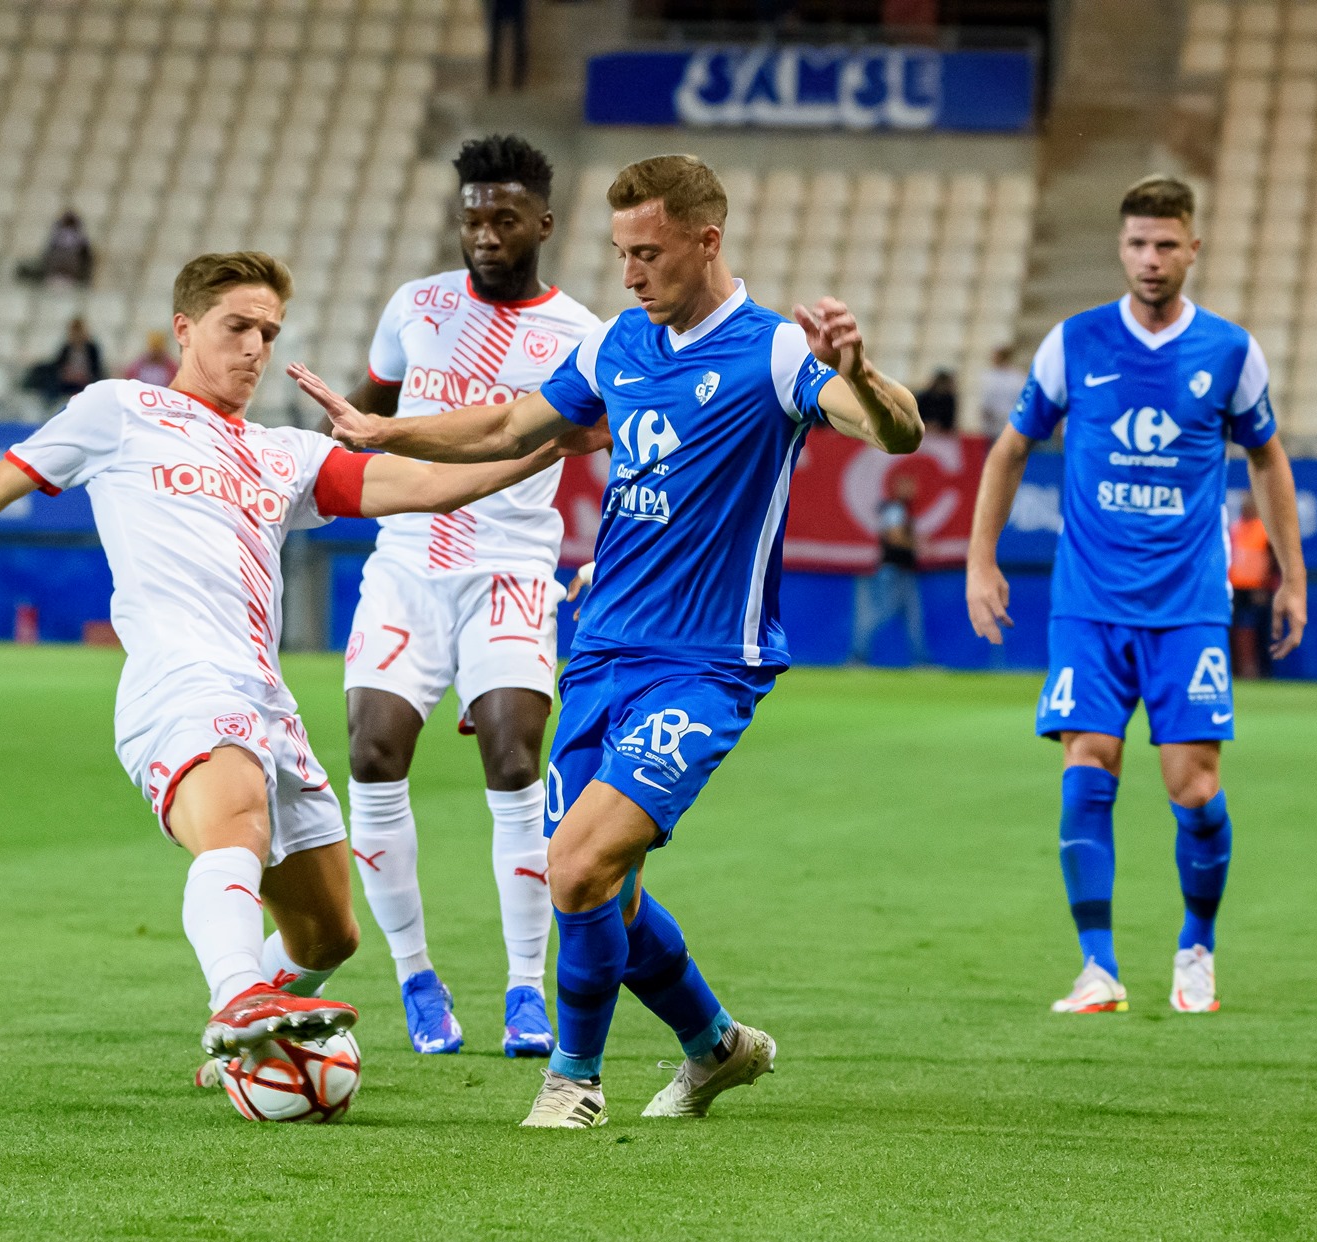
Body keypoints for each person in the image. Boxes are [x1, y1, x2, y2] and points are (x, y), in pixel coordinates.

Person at [0, 252, 584, 1093]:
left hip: (267, 700)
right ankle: (238, 1000)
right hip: (177, 682)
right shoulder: (119, 411)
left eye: (269, 332)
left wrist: (549, 437)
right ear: (185, 328)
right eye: (237, 327)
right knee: (235, 822)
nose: (256, 348)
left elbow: (433, 486)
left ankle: (252, 1028)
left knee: (329, 936)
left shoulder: (284, 453)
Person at [289, 154, 924, 1128]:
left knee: (575, 866)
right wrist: (384, 435)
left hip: (705, 664)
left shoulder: (773, 354)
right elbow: (508, 425)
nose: (627, 274)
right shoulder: (618, 346)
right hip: (598, 652)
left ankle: (571, 1080)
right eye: (619, 252)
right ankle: (714, 1045)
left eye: (647, 254)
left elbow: (896, 433)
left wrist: (859, 373)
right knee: (607, 894)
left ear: (705, 243)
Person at [964, 175, 1307, 1017]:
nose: (1150, 260)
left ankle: (1196, 948)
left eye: (1165, 245)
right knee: (1089, 765)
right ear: (1121, 249)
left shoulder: (1229, 352)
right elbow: (1009, 450)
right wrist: (982, 558)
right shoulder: (1074, 342)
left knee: (1193, 786)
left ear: (1192, 248)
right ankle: (1098, 967)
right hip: (1087, 601)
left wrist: (1292, 575)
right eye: (1136, 245)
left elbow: (1267, 458)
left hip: (1189, 604)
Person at [339, 135, 600, 1058]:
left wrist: (608, 550)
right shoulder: (413, 308)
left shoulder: (582, 335)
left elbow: (625, 450)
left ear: (543, 224)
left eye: (503, 218)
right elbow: (370, 412)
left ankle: (526, 990)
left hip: (513, 568)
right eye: (471, 217)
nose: (484, 234)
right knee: (372, 753)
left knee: (513, 758)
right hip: (406, 559)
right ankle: (416, 976)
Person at [850, 470, 928, 665]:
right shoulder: (895, 509)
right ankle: (858, 655)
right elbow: (894, 537)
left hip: (904, 571)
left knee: (913, 619)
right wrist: (917, 544)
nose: (912, 489)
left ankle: (921, 660)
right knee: (880, 613)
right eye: (907, 485)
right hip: (893, 571)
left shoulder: (902, 509)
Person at [1228, 493, 1274, 679]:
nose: (1248, 507)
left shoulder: (1264, 528)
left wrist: (1265, 585)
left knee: (1260, 631)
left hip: (1257, 587)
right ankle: (1236, 669)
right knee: (1232, 628)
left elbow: (1272, 560)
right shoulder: (1235, 527)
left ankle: (1262, 671)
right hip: (1235, 586)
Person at [26, 318, 105, 402]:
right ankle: (50, 406)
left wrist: (82, 376)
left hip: (85, 382)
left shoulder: (92, 349)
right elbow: (58, 365)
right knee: (50, 382)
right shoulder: (66, 348)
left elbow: (96, 368)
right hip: (67, 382)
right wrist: (66, 374)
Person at [19, 209, 94, 286]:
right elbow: (48, 254)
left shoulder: (81, 240)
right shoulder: (56, 237)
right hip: (54, 272)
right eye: (66, 222)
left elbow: (86, 257)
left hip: (71, 272)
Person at [914, 369, 956, 433]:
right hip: (924, 428)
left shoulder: (949, 399)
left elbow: (950, 420)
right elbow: (917, 414)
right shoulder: (924, 397)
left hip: (941, 432)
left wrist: (939, 426)